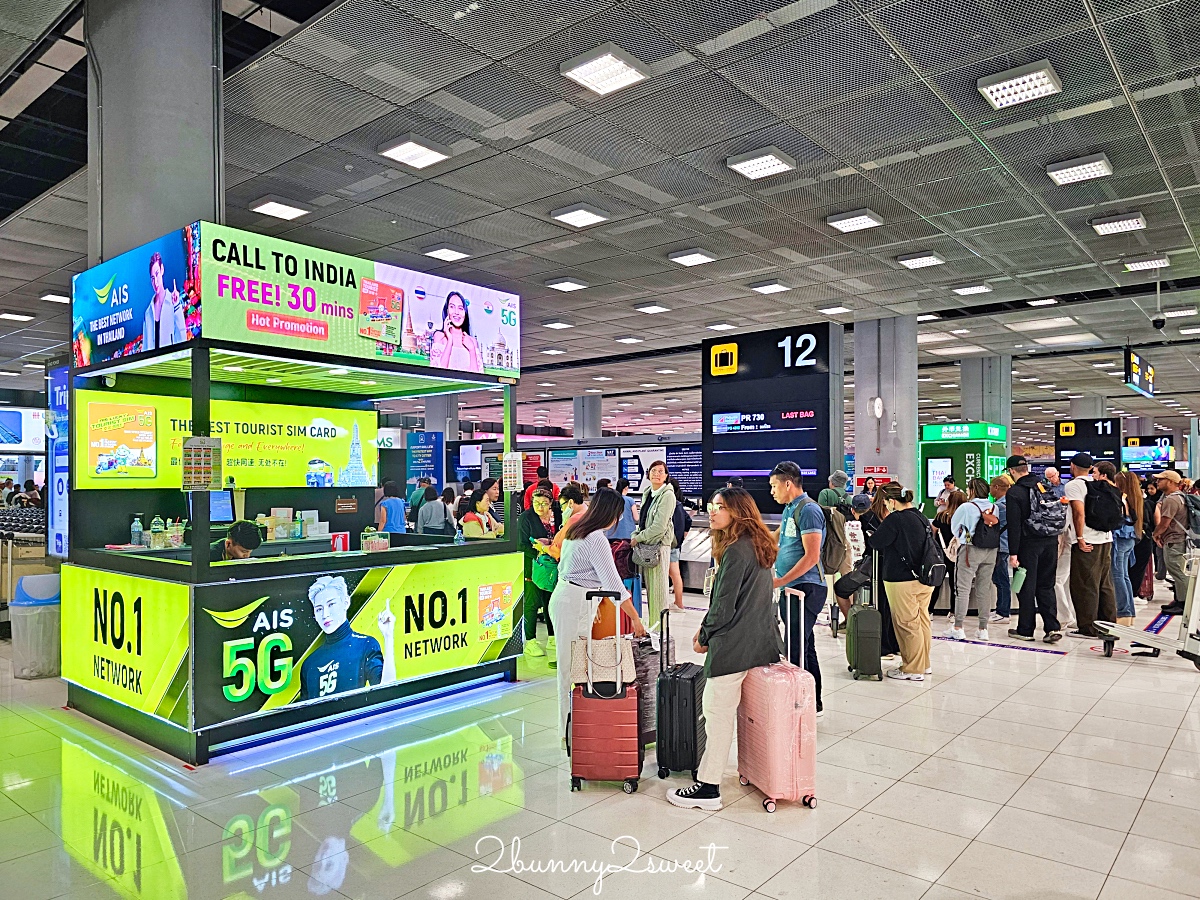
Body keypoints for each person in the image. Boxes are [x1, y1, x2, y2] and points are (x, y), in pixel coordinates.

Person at [668, 487, 785, 811]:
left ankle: (708, 788)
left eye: (720, 507)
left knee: (717, 714)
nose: (714, 511)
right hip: (757, 642)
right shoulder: (758, 545)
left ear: (738, 512)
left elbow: (723, 605)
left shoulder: (735, 550)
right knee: (735, 713)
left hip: (733, 646)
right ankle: (734, 772)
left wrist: (704, 635)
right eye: (712, 506)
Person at [548, 489, 647, 737]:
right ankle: (566, 732)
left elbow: (574, 569)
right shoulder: (596, 538)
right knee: (569, 668)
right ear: (610, 513)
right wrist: (635, 618)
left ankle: (575, 727)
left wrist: (595, 600)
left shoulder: (577, 530)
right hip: (573, 603)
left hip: (571, 599)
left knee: (576, 666)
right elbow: (614, 584)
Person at [768, 461, 827, 714]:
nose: (772, 491)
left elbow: (811, 556)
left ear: (788, 483)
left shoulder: (809, 510)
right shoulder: (790, 508)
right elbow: (777, 539)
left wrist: (780, 581)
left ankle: (799, 702)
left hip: (805, 588)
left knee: (795, 648)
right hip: (792, 588)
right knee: (804, 646)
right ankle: (814, 702)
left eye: (774, 486)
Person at [867, 482, 933, 680]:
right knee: (922, 621)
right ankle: (924, 663)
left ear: (892, 501)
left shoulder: (895, 519)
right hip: (924, 577)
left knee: (906, 623)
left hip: (901, 579)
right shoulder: (920, 516)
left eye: (887, 502)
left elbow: (876, 542)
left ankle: (912, 669)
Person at [299, 575, 396, 700]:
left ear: (346, 602)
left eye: (331, 604)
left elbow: (386, 694)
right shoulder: (309, 663)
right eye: (319, 609)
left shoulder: (366, 645)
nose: (325, 614)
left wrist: (388, 637)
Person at [1005, 455, 1064, 643]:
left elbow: (1014, 525)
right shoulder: (1044, 486)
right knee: (1047, 585)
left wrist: (1013, 553)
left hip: (1028, 545)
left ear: (1012, 471)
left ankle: (1026, 629)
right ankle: (1052, 627)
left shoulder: (1015, 492)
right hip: (1050, 542)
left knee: (1026, 587)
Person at [1064, 455, 1119, 637]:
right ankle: (1109, 624)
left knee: (1084, 584)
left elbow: (1079, 513)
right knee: (1104, 584)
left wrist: (1079, 537)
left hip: (1088, 540)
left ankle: (1088, 628)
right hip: (1106, 538)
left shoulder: (1074, 485)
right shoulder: (1098, 483)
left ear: (1072, 466)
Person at [946, 477, 999, 641]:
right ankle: (983, 629)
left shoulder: (967, 507)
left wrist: (966, 536)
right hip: (991, 550)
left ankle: (958, 627)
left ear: (972, 490)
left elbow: (955, 528)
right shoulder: (994, 507)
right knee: (984, 589)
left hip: (970, 550)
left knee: (962, 589)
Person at [631, 460, 677, 623]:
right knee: (650, 590)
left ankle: (659, 630)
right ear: (648, 474)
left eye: (660, 471)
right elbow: (643, 519)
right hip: (646, 546)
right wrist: (636, 533)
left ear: (666, 476)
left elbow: (659, 527)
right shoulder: (648, 493)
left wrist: (638, 537)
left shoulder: (668, 495)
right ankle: (653, 629)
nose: (657, 474)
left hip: (658, 546)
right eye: (653, 471)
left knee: (658, 591)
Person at [518, 489, 557, 659]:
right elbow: (521, 545)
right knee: (532, 603)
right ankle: (531, 641)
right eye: (536, 503)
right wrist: (541, 552)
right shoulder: (526, 518)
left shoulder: (558, 515)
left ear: (550, 503)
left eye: (544, 503)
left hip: (553, 567)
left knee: (551, 602)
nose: (540, 507)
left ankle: (552, 637)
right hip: (533, 566)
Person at [1154, 470, 1194, 616]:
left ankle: (1185, 604)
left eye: (1161, 480)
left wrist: (1155, 534)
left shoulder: (1171, 499)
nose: (1157, 482)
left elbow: (1165, 523)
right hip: (1178, 539)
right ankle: (1180, 600)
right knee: (1178, 572)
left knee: (1178, 573)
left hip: (1174, 540)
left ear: (1170, 481)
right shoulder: (1180, 497)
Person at [1112, 470, 1143, 628]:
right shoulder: (1135, 499)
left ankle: (1123, 612)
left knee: (1117, 575)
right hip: (1129, 538)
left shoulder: (1121, 499)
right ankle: (1128, 612)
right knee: (1124, 576)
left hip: (1120, 538)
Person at [141, 251, 187, 351]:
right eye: (152, 278)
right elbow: (145, 348)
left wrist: (176, 306)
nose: (155, 282)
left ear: (162, 270)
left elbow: (182, 337)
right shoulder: (148, 313)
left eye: (157, 274)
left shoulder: (173, 303)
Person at [430, 291, 483, 373]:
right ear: (447, 311)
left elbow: (477, 378)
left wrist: (472, 350)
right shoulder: (439, 336)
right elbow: (438, 372)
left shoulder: (472, 341)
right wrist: (450, 340)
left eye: (460, 308)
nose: (456, 312)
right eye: (452, 307)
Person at [933, 490, 966, 614]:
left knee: (937, 583)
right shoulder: (965, 518)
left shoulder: (941, 516)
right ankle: (954, 612)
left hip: (942, 553)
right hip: (959, 553)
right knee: (956, 585)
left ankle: (930, 610)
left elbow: (933, 533)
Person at [989, 477, 1012, 626]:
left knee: (1001, 578)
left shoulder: (1000, 506)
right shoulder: (1008, 503)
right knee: (998, 578)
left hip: (1000, 545)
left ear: (996, 487)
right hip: (1004, 544)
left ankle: (1003, 612)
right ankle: (1000, 609)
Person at [1130, 476, 1156, 602]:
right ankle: (1134, 593)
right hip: (1145, 538)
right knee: (1138, 568)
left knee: (1125, 569)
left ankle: (1131, 594)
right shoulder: (1149, 503)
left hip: (1129, 539)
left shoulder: (1123, 501)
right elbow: (1156, 521)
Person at [667, 477, 691, 612]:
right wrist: (683, 534)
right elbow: (688, 520)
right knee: (675, 574)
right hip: (675, 544)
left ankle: (672, 603)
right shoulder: (679, 504)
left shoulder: (670, 504)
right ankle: (679, 603)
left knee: (667, 575)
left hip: (667, 544)